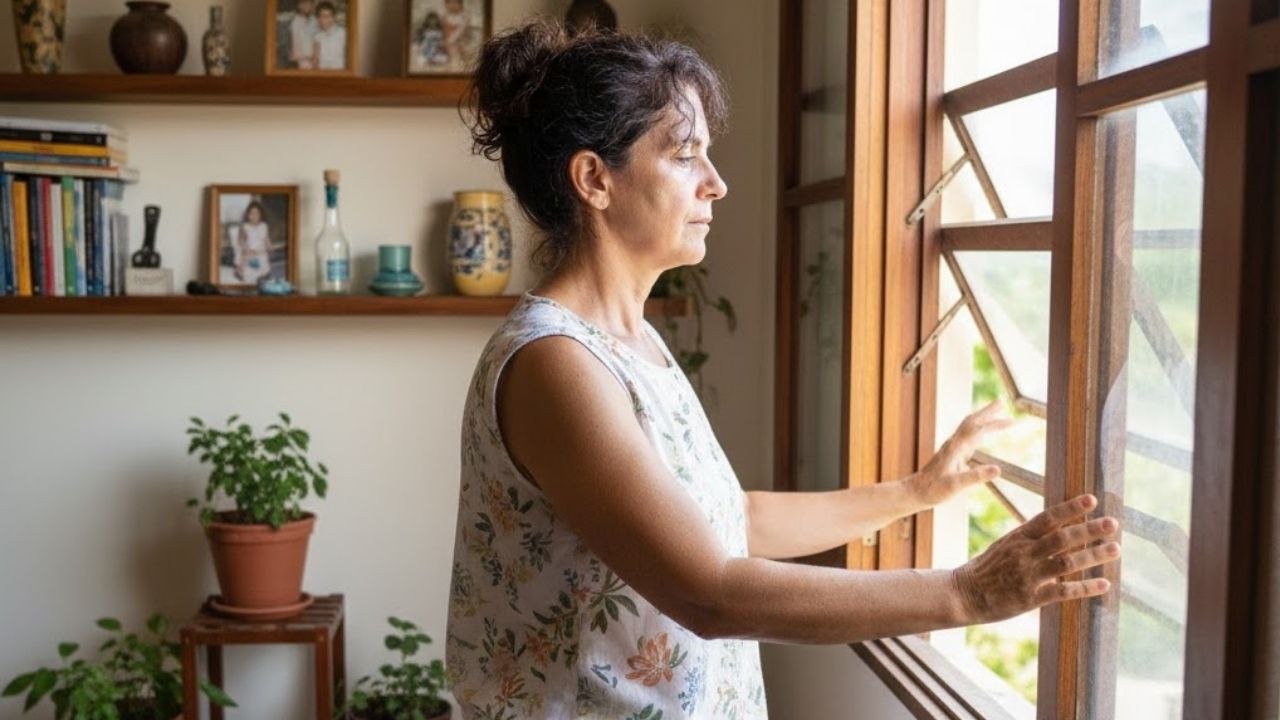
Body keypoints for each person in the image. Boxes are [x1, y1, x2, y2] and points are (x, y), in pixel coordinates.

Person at [447, 20, 1121, 719]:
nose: (717, 183)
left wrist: (915, 492)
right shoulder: (555, 364)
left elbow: (734, 519)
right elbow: (709, 591)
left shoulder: (631, 342)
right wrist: (967, 592)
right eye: (685, 156)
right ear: (594, 179)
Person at [234, 201, 272, 285]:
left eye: (257, 213)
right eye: (252, 213)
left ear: (261, 215)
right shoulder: (245, 227)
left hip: (261, 252)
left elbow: (267, 240)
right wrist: (246, 250)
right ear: (248, 215)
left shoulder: (264, 226)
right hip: (249, 252)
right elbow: (241, 242)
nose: (254, 216)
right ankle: (241, 272)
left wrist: (269, 247)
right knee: (248, 269)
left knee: (264, 266)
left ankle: (262, 275)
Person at [312, 1, 346, 70]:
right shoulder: (317, 37)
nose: (323, 20)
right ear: (318, 19)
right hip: (323, 73)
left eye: (327, 16)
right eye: (320, 17)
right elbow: (315, 60)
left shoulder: (342, 33)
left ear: (333, 17)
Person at [441, 0, 472, 70]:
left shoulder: (464, 17)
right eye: (450, 3)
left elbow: (461, 31)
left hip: (462, 41)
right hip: (449, 43)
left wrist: (452, 39)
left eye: (455, 2)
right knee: (452, 54)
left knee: (465, 52)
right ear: (446, 4)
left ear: (460, 4)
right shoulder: (445, 17)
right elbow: (444, 33)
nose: (453, 5)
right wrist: (448, 41)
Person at [288, 0, 318, 70]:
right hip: (302, 61)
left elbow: (318, 39)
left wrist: (316, 56)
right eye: (303, 3)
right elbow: (293, 45)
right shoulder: (295, 22)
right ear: (298, 6)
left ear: (312, 5)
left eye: (309, 3)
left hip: (316, 60)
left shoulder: (315, 20)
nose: (306, 6)